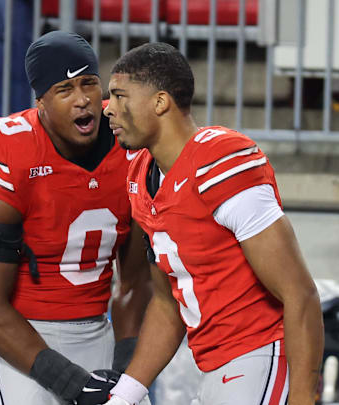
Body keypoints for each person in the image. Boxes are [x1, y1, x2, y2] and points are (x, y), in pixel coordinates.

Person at [101, 42, 324, 405]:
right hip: (215, 366)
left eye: (120, 96)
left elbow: (300, 293)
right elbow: (167, 302)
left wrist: (302, 396)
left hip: (261, 354)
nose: (108, 109)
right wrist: (126, 394)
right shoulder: (141, 174)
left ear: (160, 102)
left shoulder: (220, 163)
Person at [0, 31, 152, 405]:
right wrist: (69, 382)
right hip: (22, 340)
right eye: (64, 89)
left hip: (99, 330)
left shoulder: (131, 141)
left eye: (89, 84)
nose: (82, 100)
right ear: (41, 101)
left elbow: (137, 282)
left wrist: (126, 366)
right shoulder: (8, 150)